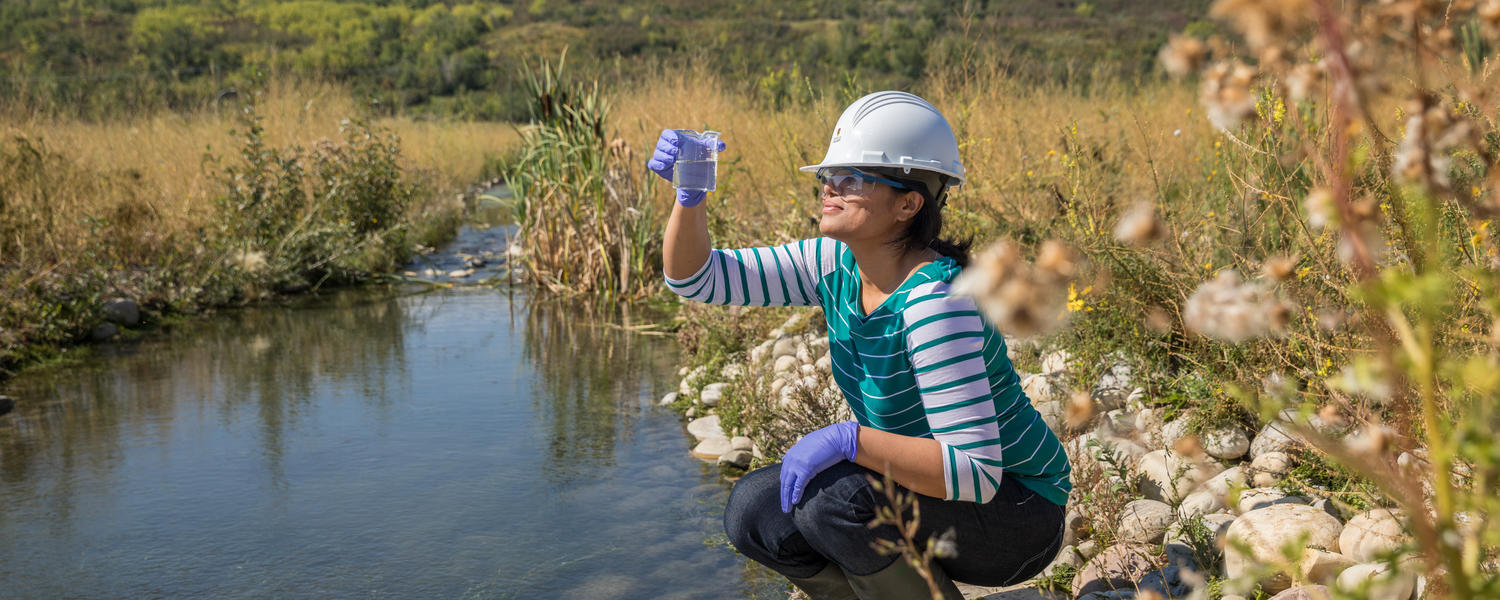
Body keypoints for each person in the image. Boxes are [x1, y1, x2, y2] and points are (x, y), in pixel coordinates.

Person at [648, 91, 1070, 600]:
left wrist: (850, 440)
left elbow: (975, 473)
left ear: (908, 203)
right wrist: (690, 196)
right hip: (936, 491)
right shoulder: (834, 262)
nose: (829, 188)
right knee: (755, 510)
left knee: (835, 500)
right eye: (829, 176)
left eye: (852, 179)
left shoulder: (936, 304)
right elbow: (697, 279)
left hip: (1017, 515)